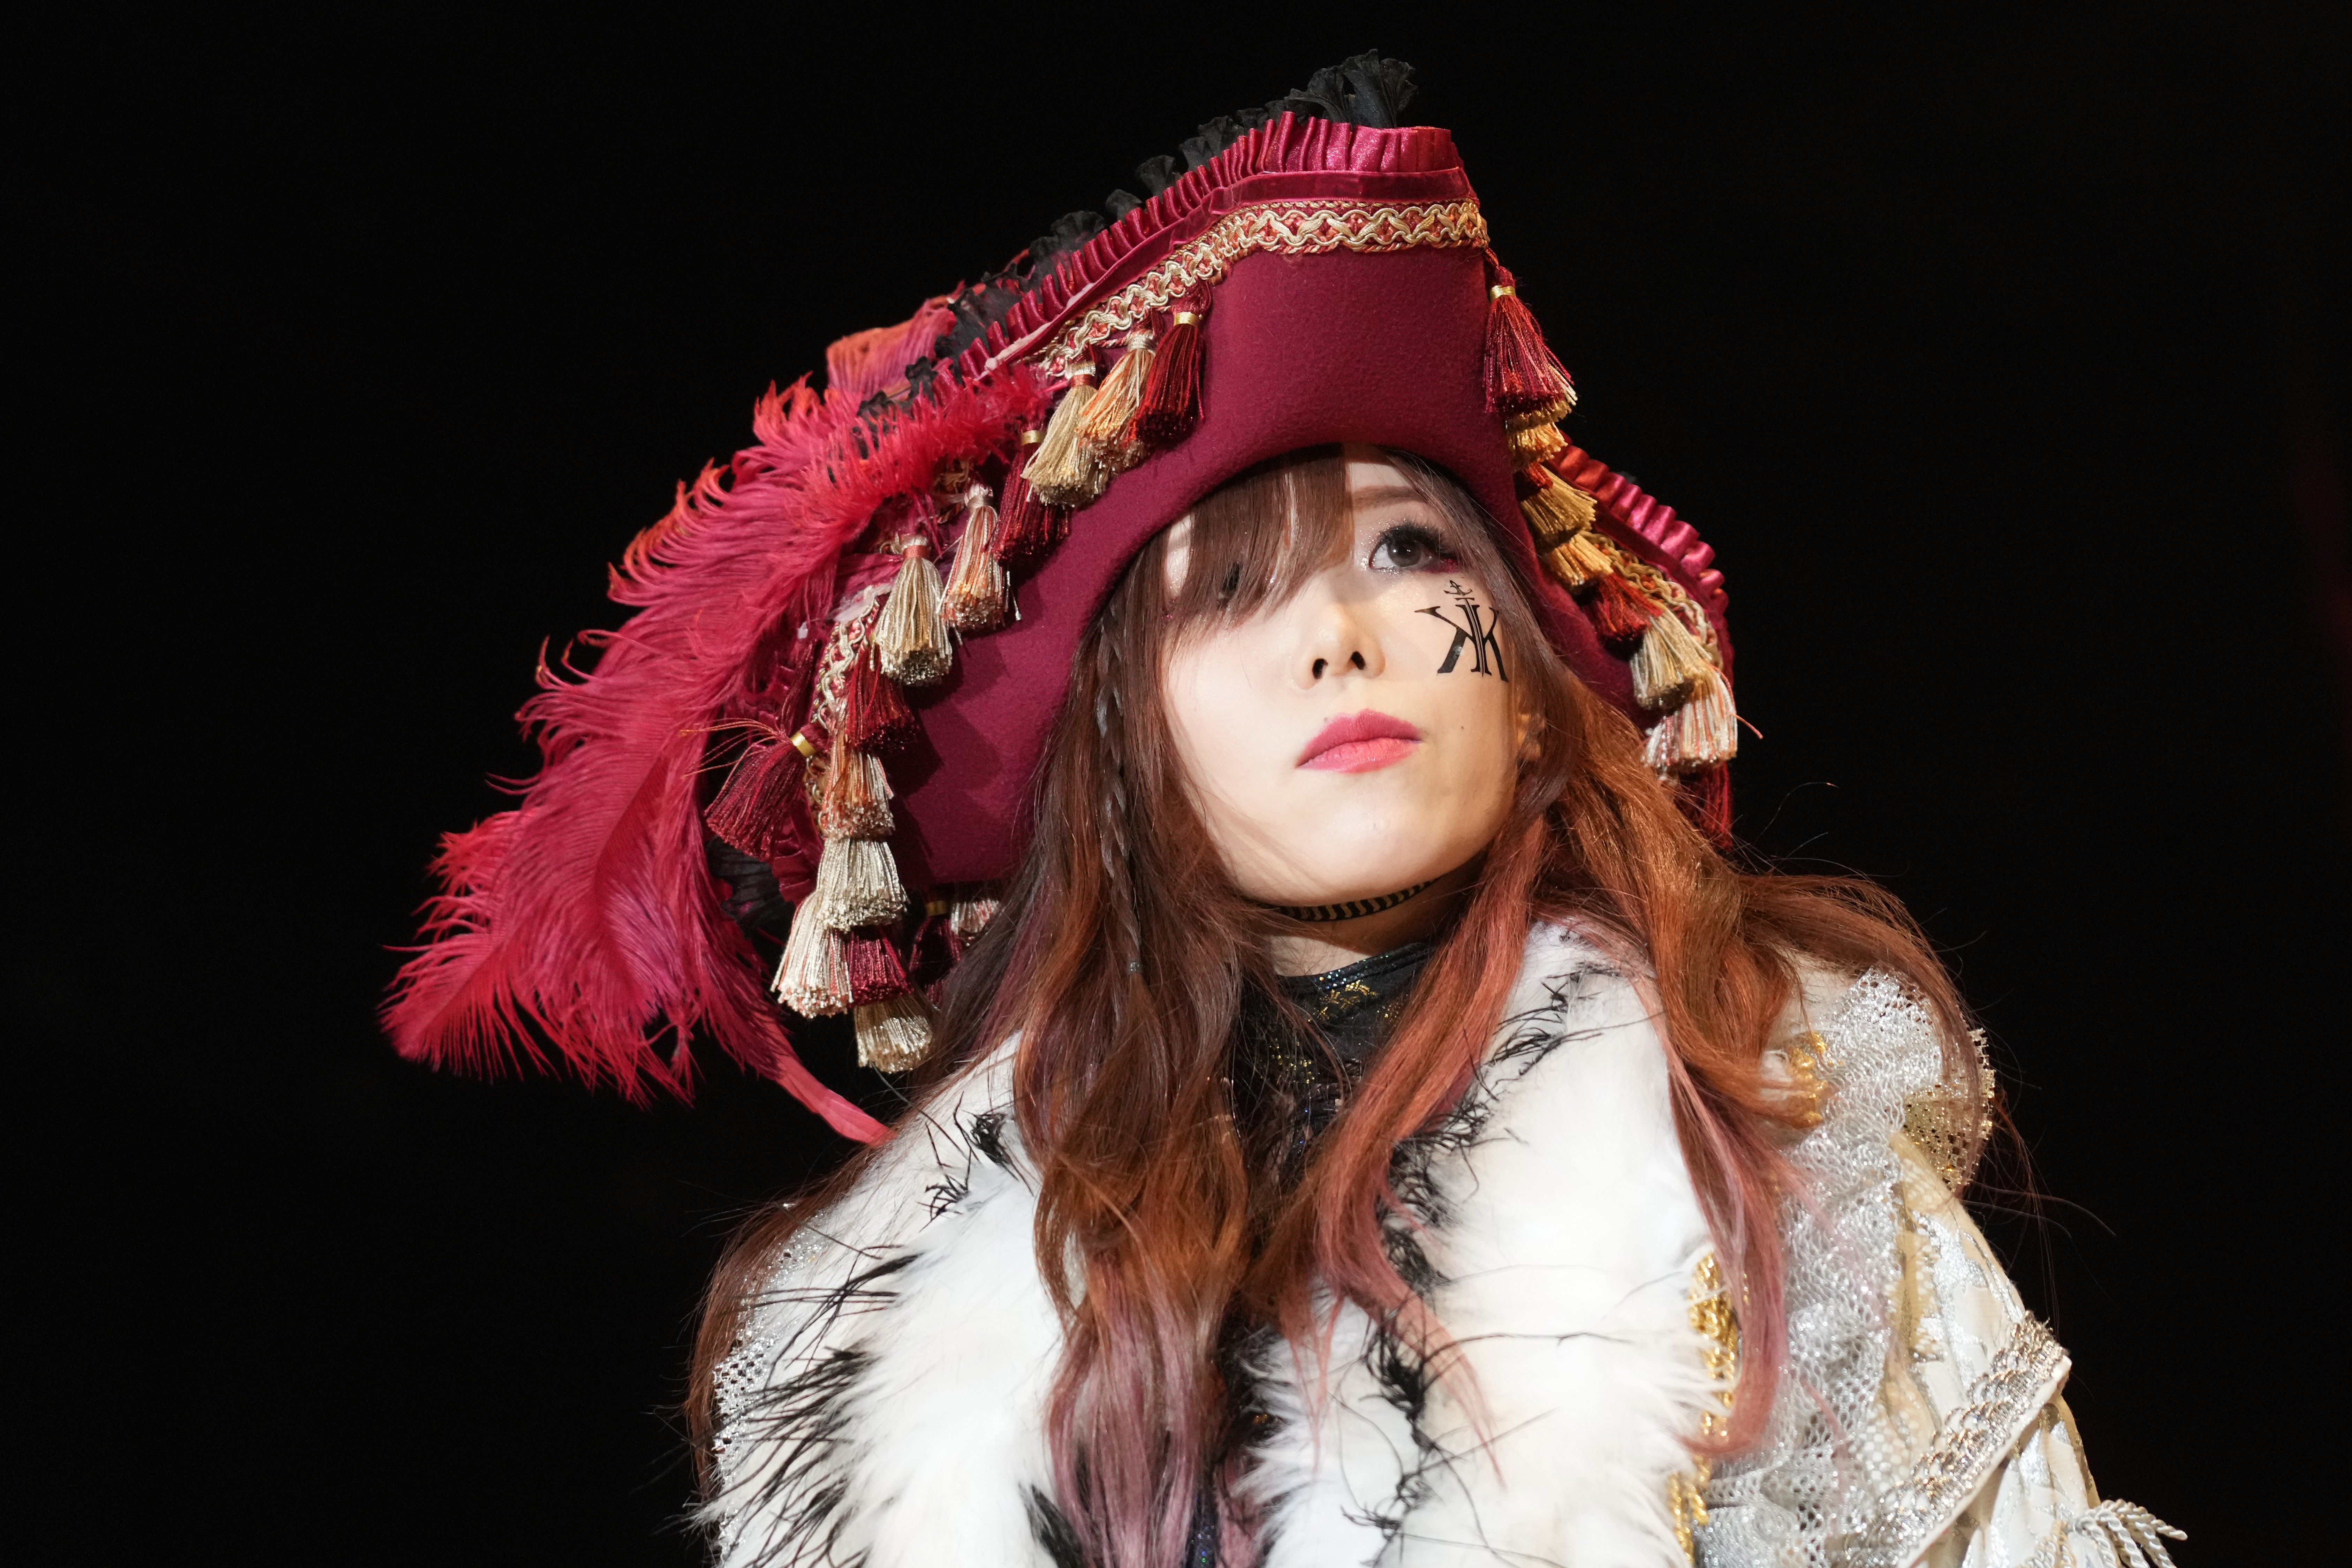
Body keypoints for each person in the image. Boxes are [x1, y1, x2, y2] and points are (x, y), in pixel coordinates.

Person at [386, 56, 2179, 1568]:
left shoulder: (1767, 1152)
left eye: (1407, 554)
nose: (1343, 636)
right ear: (1121, 759)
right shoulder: (885, 1329)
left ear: (1531, 696)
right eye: (1233, 594)